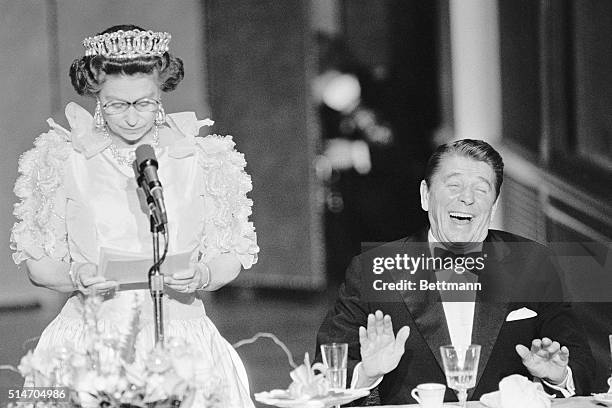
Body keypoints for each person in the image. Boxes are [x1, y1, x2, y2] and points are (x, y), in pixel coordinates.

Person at [10, 25, 259, 407]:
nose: (130, 118)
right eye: (116, 105)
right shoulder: (62, 159)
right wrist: (75, 274)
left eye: (143, 103)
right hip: (91, 340)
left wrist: (204, 274)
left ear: (160, 95)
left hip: (182, 340)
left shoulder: (203, 158)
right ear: (98, 99)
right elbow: (39, 265)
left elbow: (230, 253)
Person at [316, 139, 594, 404]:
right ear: (425, 196)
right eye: (454, 186)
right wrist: (368, 372)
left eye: (481, 190)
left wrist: (558, 376)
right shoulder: (373, 270)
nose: (467, 199)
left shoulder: (533, 262)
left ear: (494, 205)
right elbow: (325, 373)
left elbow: (580, 363)